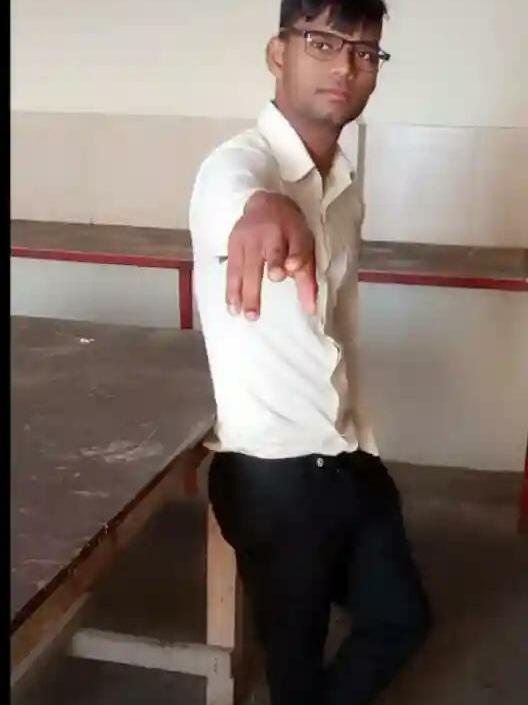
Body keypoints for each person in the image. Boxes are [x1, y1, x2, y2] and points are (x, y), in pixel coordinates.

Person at [189, 2, 432, 703]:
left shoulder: (344, 189)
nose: (346, 66)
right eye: (323, 43)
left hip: (345, 450)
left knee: (401, 618)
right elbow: (238, 195)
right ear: (279, 53)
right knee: (294, 663)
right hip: (272, 473)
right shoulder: (237, 166)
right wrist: (264, 210)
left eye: (365, 52)